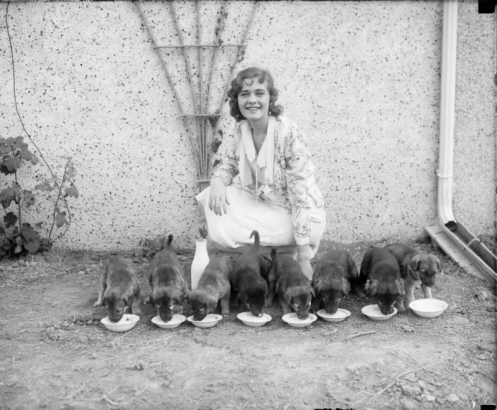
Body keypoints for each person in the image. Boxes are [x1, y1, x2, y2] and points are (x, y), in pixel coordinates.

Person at [196, 66, 326, 279]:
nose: (252, 100)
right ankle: (273, 253)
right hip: (266, 204)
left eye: (259, 93)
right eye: (245, 94)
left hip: (301, 214)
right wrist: (217, 181)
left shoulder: (289, 134)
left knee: (235, 231)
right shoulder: (242, 128)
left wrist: (304, 257)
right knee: (212, 199)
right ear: (236, 100)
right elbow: (229, 164)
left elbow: (299, 197)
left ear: (270, 99)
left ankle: (294, 252)